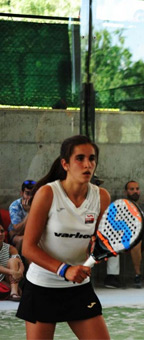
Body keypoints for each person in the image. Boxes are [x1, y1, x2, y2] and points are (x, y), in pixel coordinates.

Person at [16, 135, 110, 339]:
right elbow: (28, 248)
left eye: (92, 158)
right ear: (65, 163)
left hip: (79, 288)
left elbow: (97, 242)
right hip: (42, 287)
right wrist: (64, 269)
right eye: (80, 158)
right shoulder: (47, 194)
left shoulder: (101, 197)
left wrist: (100, 251)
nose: (87, 164)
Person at [8, 179, 36, 254]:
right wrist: (30, 212)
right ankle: (19, 262)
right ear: (22, 193)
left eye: (33, 194)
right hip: (16, 234)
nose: (30, 197)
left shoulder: (38, 203)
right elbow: (17, 230)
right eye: (27, 194)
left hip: (33, 232)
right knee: (23, 240)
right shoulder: (15, 206)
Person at [0, 225, 24, 301]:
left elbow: (19, 263)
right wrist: (12, 272)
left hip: (8, 278)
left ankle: (14, 292)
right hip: (6, 278)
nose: (0, 234)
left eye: (2, 231)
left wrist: (20, 272)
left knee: (13, 260)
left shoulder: (10, 248)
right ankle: (13, 290)